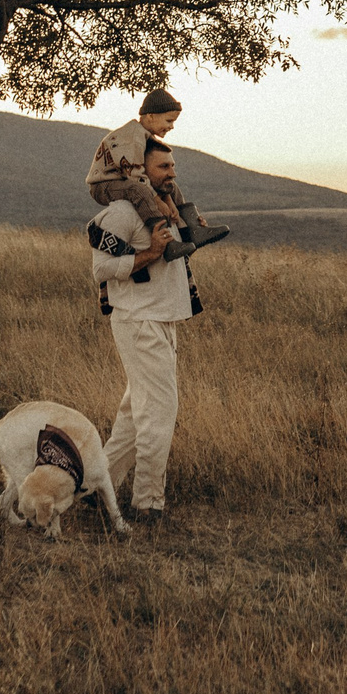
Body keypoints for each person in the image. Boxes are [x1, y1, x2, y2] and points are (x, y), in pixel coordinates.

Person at [89, 141, 209, 524]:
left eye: (173, 165)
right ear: (139, 168)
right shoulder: (122, 213)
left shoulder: (162, 206)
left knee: (133, 414)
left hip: (161, 320)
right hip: (139, 321)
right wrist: (149, 254)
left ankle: (95, 487)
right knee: (159, 412)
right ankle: (148, 504)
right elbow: (101, 270)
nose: (172, 172)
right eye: (163, 167)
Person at [87, 87, 228, 252]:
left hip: (126, 181)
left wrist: (169, 200)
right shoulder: (133, 137)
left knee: (170, 185)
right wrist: (159, 201)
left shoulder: (146, 136)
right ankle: (166, 242)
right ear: (151, 116)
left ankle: (192, 230)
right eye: (169, 121)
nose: (172, 126)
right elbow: (135, 175)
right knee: (138, 190)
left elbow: (149, 176)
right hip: (104, 185)